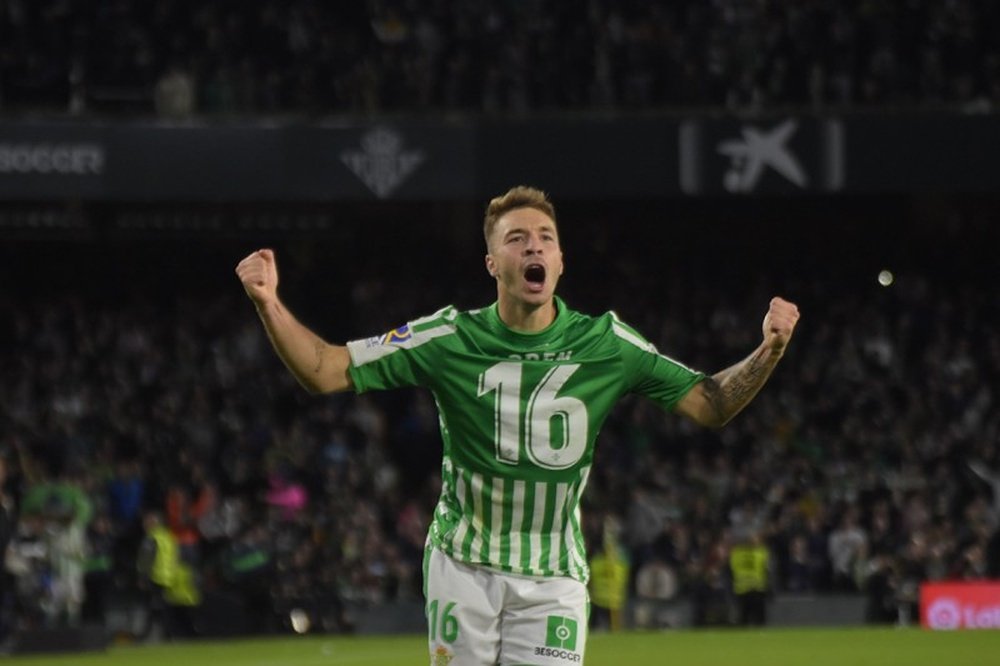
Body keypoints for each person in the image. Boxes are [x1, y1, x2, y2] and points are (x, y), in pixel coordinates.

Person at [236, 185, 799, 665]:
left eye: (545, 239)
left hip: (553, 574)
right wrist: (268, 302)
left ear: (559, 262)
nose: (534, 245)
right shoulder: (448, 337)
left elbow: (708, 403)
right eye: (517, 238)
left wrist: (769, 352)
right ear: (492, 264)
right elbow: (325, 370)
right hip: (463, 565)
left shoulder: (606, 342)